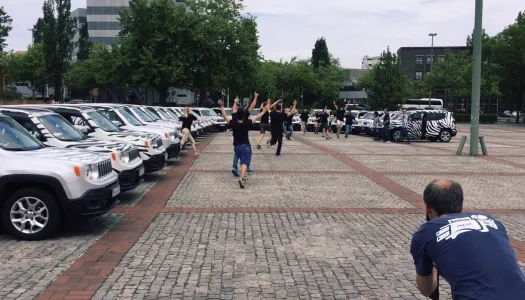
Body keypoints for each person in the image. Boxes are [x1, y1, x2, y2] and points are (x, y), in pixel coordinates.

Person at [410, 179, 525, 299]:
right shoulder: (491, 221)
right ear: (460, 204)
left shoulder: (425, 233)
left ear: (428, 208)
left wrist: (434, 266)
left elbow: (427, 290)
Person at [219, 99, 268, 188]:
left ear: (236, 114)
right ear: (244, 115)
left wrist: (222, 106)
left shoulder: (233, 122)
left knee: (241, 160)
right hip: (245, 146)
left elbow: (225, 116)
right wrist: (264, 111)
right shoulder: (247, 122)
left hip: (236, 147)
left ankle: (244, 175)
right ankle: (241, 178)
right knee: (244, 162)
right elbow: (257, 117)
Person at [231, 94, 258, 176]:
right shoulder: (245, 114)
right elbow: (252, 107)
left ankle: (234, 167)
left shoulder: (235, 115)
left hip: (236, 138)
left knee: (237, 152)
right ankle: (247, 166)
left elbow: (233, 109)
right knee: (248, 152)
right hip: (245, 139)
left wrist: (235, 102)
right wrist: (255, 97)